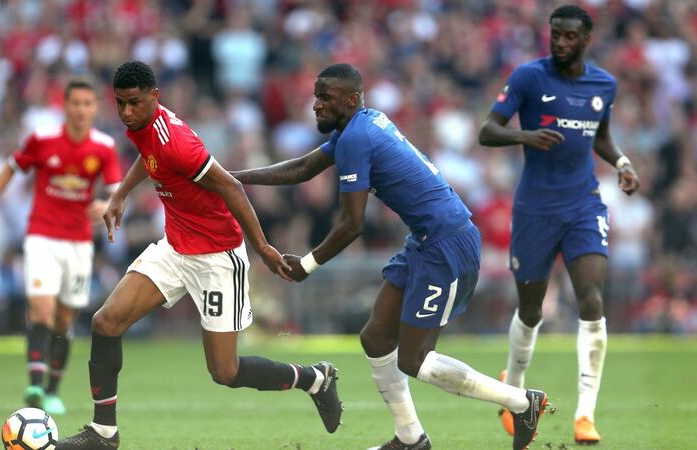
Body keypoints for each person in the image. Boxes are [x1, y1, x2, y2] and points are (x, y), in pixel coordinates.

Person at [233, 62, 547, 450]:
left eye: (325, 97)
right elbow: (303, 167)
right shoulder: (361, 125)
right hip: (426, 240)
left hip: (447, 244)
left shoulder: (355, 137)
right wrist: (235, 179)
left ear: (351, 100)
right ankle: (410, 438)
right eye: (316, 96)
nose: (316, 104)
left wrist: (307, 265)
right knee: (376, 338)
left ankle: (522, 402)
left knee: (414, 359)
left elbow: (352, 225)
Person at [56, 61, 342, 450]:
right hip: (175, 247)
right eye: (120, 103)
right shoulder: (143, 125)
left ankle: (315, 379)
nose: (126, 111)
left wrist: (262, 248)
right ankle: (103, 433)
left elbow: (231, 187)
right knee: (106, 322)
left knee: (225, 371)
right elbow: (147, 153)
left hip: (217, 256)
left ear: (154, 97)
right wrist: (121, 193)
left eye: (134, 103)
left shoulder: (178, 143)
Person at [477, 5, 640, 446]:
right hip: (535, 208)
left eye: (570, 36)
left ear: (586, 39)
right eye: (556, 35)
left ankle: (585, 414)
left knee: (592, 300)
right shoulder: (529, 77)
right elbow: (487, 131)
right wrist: (525, 136)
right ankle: (513, 391)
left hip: (584, 204)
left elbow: (600, 136)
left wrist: (623, 163)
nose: (561, 42)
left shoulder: (603, 85)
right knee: (531, 310)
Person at [0, 77, 123, 415]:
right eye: (76, 103)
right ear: (65, 106)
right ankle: (35, 386)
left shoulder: (103, 147)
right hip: (41, 235)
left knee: (64, 320)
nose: (81, 110)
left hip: (78, 243)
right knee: (41, 310)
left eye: (87, 104)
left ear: (95, 108)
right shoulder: (42, 139)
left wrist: (106, 205)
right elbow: (12, 167)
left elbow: (117, 192)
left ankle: (53, 389)